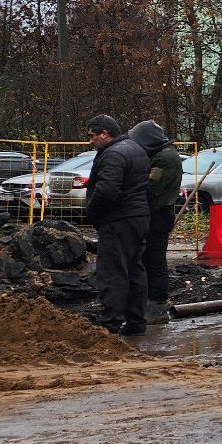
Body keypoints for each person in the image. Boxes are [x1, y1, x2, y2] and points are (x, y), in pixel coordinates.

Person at [84, 114, 151, 335]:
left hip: (117, 220)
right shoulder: (135, 148)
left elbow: (106, 191)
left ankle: (110, 324)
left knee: (112, 272)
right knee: (135, 270)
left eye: (93, 136)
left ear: (105, 133)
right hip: (138, 217)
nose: (91, 141)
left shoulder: (112, 154)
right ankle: (136, 321)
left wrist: (91, 213)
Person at [129, 119, 182, 323]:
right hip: (155, 214)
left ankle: (157, 306)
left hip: (158, 216)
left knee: (155, 260)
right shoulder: (160, 155)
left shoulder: (166, 159)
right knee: (148, 259)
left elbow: (150, 189)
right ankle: (149, 304)